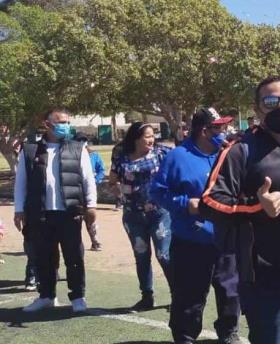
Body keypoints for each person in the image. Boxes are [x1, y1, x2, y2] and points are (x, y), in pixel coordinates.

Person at [201, 77, 280, 344]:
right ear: (257, 110)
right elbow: (209, 202)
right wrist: (256, 206)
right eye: (271, 102)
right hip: (266, 280)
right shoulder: (240, 150)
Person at [150, 108, 240, 344]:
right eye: (219, 127)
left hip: (226, 238)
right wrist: (184, 203)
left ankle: (229, 333)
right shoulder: (177, 157)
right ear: (204, 131)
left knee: (230, 292)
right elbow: (157, 192)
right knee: (189, 296)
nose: (224, 132)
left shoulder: (228, 155)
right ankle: (185, 336)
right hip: (191, 240)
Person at [13, 108, 97, 313]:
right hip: (40, 214)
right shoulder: (31, 150)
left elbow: (88, 179)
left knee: (74, 257)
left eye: (67, 122)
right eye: (61, 122)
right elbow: (21, 182)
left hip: (69, 213)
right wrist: (18, 209)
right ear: (47, 124)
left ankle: (78, 297)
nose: (65, 126)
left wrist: (91, 205)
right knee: (44, 257)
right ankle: (46, 296)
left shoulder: (78, 148)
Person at [110, 122, 173, 311]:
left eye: (153, 135)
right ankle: (147, 296)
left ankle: (177, 295)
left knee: (164, 254)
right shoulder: (121, 156)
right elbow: (113, 181)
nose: (151, 139)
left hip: (159, 213)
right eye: (147, 136)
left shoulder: (162, 153)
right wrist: (117, 190)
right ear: (136, 138)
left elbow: (176, 172)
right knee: (141, 255)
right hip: (133, 216)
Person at [74, 133, 105, 252]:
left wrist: (95, 181)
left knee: (90, 218)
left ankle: (95, 241)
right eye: (79, 140)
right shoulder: (72, 155)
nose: (82, 142)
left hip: (89, 190)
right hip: (76, 190)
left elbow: (101, 170)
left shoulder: (94, 155)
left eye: (84, 140)